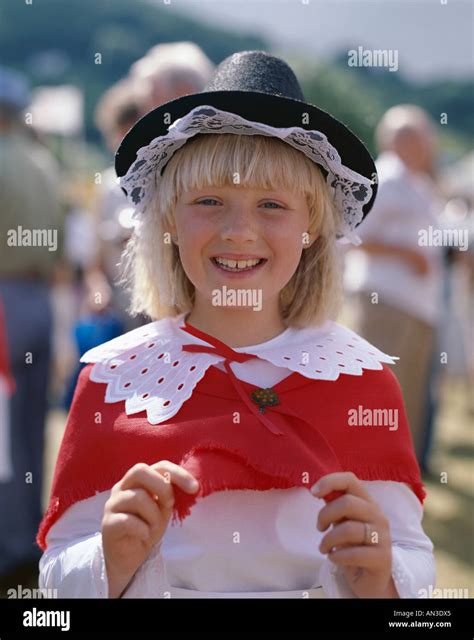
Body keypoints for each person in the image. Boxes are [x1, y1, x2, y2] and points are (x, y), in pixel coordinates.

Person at [37, 52, 435, 599]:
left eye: (272, 204)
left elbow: (412, 559)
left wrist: (383, 576)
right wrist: (108, 557)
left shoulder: (363, 380)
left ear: (312, 228)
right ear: (170, 220)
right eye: (209, 201)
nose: (239, 231)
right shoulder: (112, 380)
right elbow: (57, 579)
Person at [345, 105, 445, 464]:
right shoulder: (385, 177)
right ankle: (368, 470)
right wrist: (406, 254)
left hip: (415, 306)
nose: (428, 144)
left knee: (409, 398)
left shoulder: (417, 182)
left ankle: (396, 477)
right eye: (420, 136)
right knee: (380, 394)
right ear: (400, 140)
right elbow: (354, 236)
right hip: (386, 303)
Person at [0, 67, 62, 581]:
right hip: (39, 298)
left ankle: (11, 541)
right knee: (29, 426)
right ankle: (28, 533)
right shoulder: (42, 161)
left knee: (3, 427)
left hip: (4, 299)